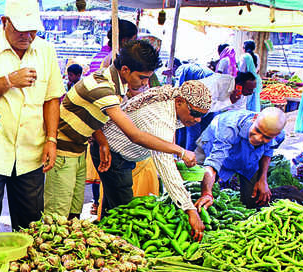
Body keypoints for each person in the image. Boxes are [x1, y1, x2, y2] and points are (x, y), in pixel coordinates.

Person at [50, 40, 196, 218]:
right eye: (142, 77)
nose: (145, 83)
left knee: (74, 209)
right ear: (125, 69)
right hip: (64, 150)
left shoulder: (114, 82)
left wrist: (102, 140)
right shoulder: (103, 88)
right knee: (59, 213)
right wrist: (180, 151)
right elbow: (135, 135)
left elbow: (90, 112)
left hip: (79, 148)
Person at [0, 0, 65, 232]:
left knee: (30, 225)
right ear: (4, 22)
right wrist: (8, 81)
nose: (27, 35)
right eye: (21, 29)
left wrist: (51, 140)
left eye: (33, 30)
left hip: (31, 152)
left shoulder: (46, 50)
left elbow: (52, 98)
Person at [100, 81, 211, 240]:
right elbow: (166, 168)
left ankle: (103, 233)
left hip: (121, 152)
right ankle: (116, 246)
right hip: (113, 154)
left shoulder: (170, 104)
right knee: (124, 211)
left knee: (113, 204)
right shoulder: (160, 117)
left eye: (202, 116)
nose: (198, 120)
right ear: (179, 102)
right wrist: (190, 210)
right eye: (195, 113)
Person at [195, 107, 286, 210]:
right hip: (212, 148)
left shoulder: (279, 136)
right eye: (257, 130)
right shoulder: (228, 127)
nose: (258, 138)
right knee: (196, 188)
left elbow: (268, 151)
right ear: (254, 118)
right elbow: (213, 162)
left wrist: (262, 179)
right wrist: (206, 193)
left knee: (254, 198)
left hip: (247, 157)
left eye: (267, 137)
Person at [178, 71, 257, 150]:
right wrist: (230, 101)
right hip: (193, 105)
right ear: (239, 85)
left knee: (205, 136)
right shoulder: (218, 83)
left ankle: (196, 157)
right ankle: (186, 157)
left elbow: (239, 112)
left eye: (252, 90)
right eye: (249, 89)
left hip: (210, 109)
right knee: (194, 135)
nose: (251, 93)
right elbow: (206, 106)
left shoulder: (242, 94)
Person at [238, 40, 261, 112]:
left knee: (244, 103)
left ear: (244, 48)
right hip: (256, 81)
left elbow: (241, 71)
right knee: (254, 103)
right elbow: (257, 70)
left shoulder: (244, 57)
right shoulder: (257, 56)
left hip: (246, 83)